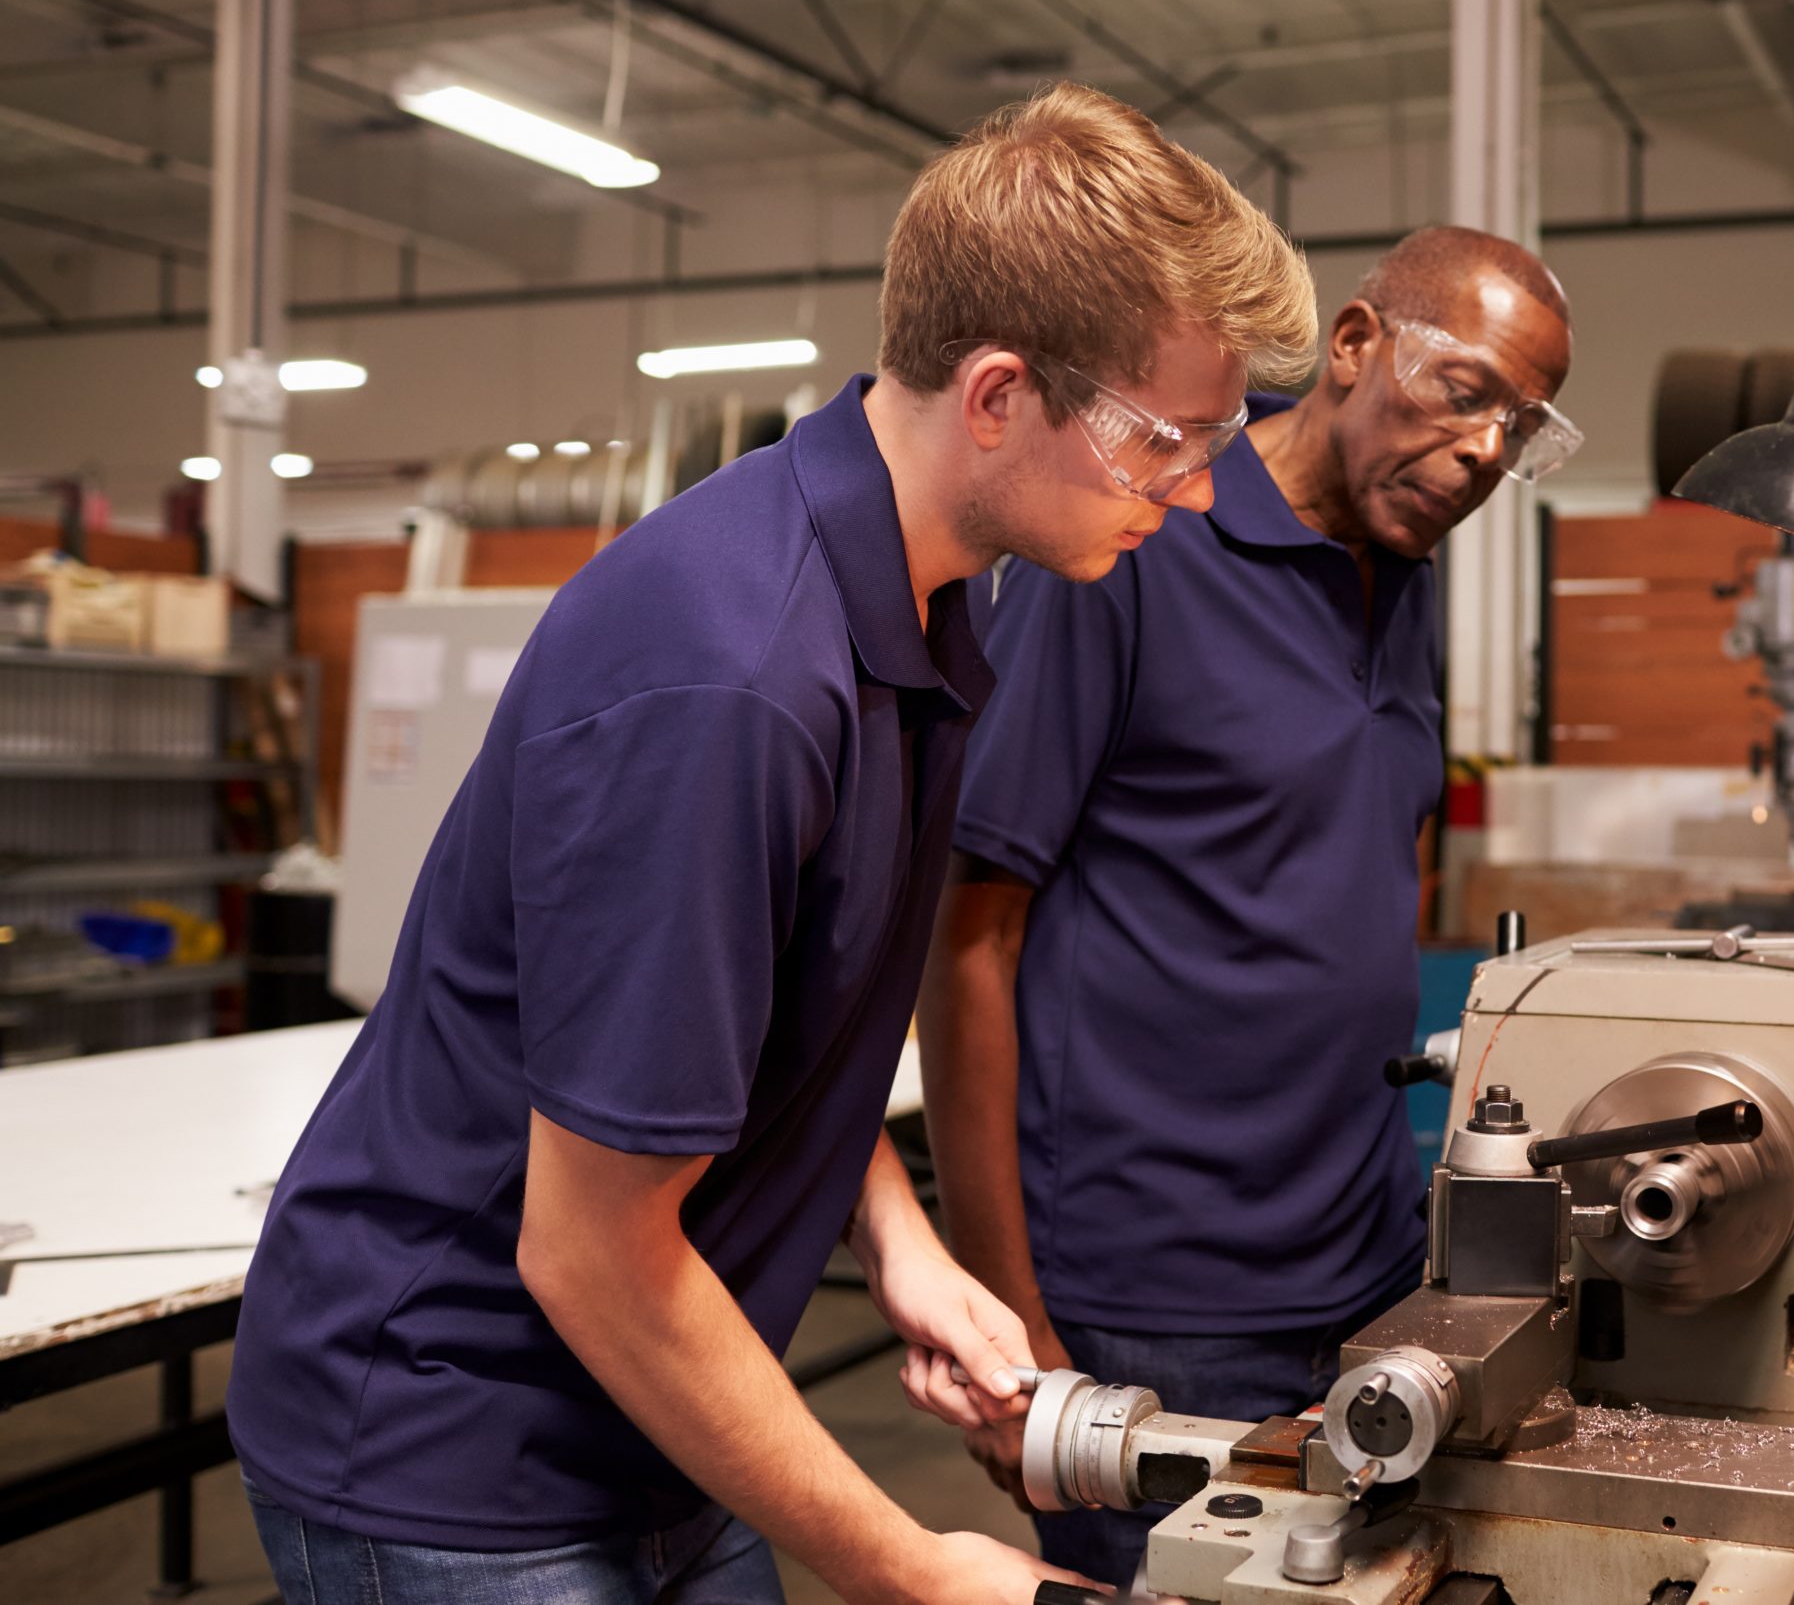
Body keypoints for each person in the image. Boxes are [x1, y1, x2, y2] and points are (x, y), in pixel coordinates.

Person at [226, 82, 1315, 1605]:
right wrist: (917, 1569)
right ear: (996, 395)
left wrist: (901, 1246)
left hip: (656, 1404)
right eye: (1167, 441)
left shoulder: (936, 593)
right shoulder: (734, 674)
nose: (1196, 492)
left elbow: (761, 1016)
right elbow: (589, 1249)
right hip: (458, 1442)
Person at [920, 225, 1577, 1586]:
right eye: (1463, 392)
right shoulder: (1136, 540)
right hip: (1152, 1299)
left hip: (1366, 1266)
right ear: (1352, 346)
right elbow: (967, 939)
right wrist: (1011, 1329)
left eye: (1521, 430)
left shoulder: (1406, 571)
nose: (1484, 456)